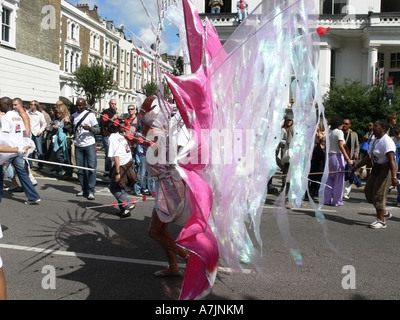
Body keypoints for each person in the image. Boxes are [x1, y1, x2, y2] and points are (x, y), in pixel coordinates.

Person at [139, 96, 190, 277]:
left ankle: (188, 258)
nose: (139, 124)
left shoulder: (156, 134)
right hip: (166, 186)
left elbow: (162, 154)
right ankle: (173, 265)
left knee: (154, 232)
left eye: (141, 118)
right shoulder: (157, 134)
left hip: (168, 188)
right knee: (160, 230)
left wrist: (145, 143)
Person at [350, 120, 398, 229]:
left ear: (383, 128)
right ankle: (383, 212)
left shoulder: (387, 141)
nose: (373, 128)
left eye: (376, 126)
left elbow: (392, 160)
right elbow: (368, 157)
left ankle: (381, 221)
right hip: (377, 168)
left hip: (386, 169)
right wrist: (355, 167)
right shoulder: (375, 140)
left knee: (378, 194)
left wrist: (394, 177)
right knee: (368, 192)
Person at [0, 97, 41, 205]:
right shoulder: (17, 117)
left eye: (1, 105)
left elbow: (4, 136)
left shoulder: (5, 118)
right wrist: (24, 146)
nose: (0, 107)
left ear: (6, 105)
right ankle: (33, 197)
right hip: (18, 149)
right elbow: (23, 132)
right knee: (22, 173)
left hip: (9, 151)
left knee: (1, 173)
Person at [107, 118, 138, 218]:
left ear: (107, 129)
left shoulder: (112, 138)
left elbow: (116, 156)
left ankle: (128, 203)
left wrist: (117, 173)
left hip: (122, 164)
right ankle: (124, 211)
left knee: (113, 187)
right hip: (128, 161)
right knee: (120, 186)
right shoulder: (120, 136)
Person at [71, 97, 100, 200]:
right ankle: (84, 189)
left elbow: (98, 130)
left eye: (81, 105)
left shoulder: (90, 115)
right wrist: (66, 123)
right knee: (80, 169)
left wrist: (90, 128)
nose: (78, 107)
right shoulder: (73, 116)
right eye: (77, 105)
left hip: (89, 145)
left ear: (84, 105)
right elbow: (69, 128)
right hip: (78, 145)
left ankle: (91, 190)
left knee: (91, 168)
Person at [324, 116, 353, 206]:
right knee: (339, 179)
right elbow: (341, 146)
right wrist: (348, 158)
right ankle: (337, 201)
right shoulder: (339, 132)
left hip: (329, 156)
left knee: (329, 179)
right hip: (337, 156)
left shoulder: (329, 132)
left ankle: (327, 199)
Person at [342, 118, 361, 199]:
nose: (345, 125)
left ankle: (345, 192)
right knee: (342, 175)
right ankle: (340, 191)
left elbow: (357, 145)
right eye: (344, 123)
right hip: (341, 156)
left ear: (350, 125)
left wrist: (356, 153)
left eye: (346, 124)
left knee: (349, 175)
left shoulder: (354, 134)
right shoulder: (340, 133)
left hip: (350, 157)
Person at [52, 103, 73, 178]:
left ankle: (68, 171)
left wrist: (61, 126)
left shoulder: (66, 119)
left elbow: (68, 128)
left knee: (61, 156)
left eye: (59, 113)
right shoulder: (56, 119)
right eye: (56, 113)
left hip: (65, 139)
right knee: (58, 155)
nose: (57, 114)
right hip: (58, 139)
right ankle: (66, 171)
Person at [100, 99, 118, 177]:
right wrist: (113, 119)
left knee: (115, 155)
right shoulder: (105, 113)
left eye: (115, 104)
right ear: (109, 104)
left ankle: (113, 171)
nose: (113, 105)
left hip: (114, 135)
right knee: (108, 154)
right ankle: (107, 172)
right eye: (112, 103)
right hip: (107, 135)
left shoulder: (115, 112)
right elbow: (104, 125)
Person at [27, 100, 47, 169]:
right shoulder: (27, 113)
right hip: (29, 133)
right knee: (30, 149)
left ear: (36, 106)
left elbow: (44, 124)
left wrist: (40, 131)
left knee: (39, 150)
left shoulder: (40, 114)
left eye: (32, 104)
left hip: (37, 133)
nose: (30, 106)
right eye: (30, 104)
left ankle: (40, 164)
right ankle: (30, 164)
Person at [392, 126, 400, 207]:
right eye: (396, 134)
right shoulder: (393, 140)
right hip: (396, 162)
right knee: (398, 182)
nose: (398, 136)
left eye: (398, 134)